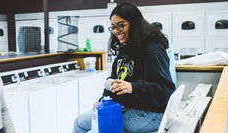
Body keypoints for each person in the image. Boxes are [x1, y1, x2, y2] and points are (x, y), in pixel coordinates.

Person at [73, 2, 175, 133]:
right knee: (79, 122)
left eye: (121, 25)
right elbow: (114, 80)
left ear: (135, 24)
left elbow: (165, 90)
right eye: (113, 27)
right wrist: (103, 101)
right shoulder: (126, 48)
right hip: (131, 106)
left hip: (151, 112)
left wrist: (132, 87)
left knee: (89, 125)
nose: (116, 31)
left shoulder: (152, 49)